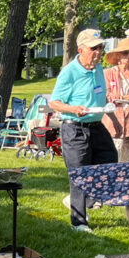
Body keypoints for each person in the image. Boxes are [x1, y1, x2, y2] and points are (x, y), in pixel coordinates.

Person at [49, 29, 118, 233]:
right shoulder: (69, 72)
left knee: (110, 162)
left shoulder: (98, 68)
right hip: (74, 129)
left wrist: (112, 110)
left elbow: (99, 95)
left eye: (101, 48)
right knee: (79, 174)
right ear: (81, 50)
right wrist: (73, 109)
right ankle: (78, 223)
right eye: (94, 48)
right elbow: (54, 102)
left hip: (97, 126)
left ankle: (79, 200)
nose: (98, 52)